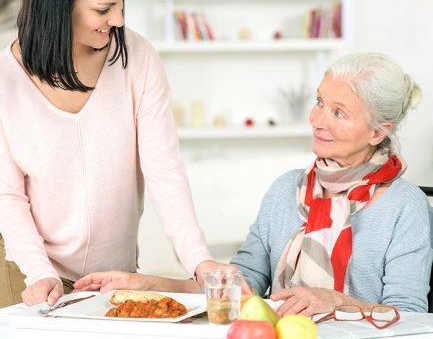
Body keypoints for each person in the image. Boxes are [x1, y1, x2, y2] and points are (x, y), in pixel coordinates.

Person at [75, 52, 433, 314]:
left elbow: (410, 315)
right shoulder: (285, 190)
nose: (318, 120)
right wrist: (149, 285)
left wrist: (337, 301)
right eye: (319, 102)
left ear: (378, 131)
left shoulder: (406, 205)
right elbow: (239, 286)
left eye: (338, 112)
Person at [0, 0, 238, 309]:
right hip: (28, 273)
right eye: (103, 9)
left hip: (115, 275)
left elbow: (164, 171)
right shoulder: (5, 80)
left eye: (122, 4)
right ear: (58, 3)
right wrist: (38, 270)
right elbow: (7, 195)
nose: (119, 20)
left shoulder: (138, 60)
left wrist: (198, 260)